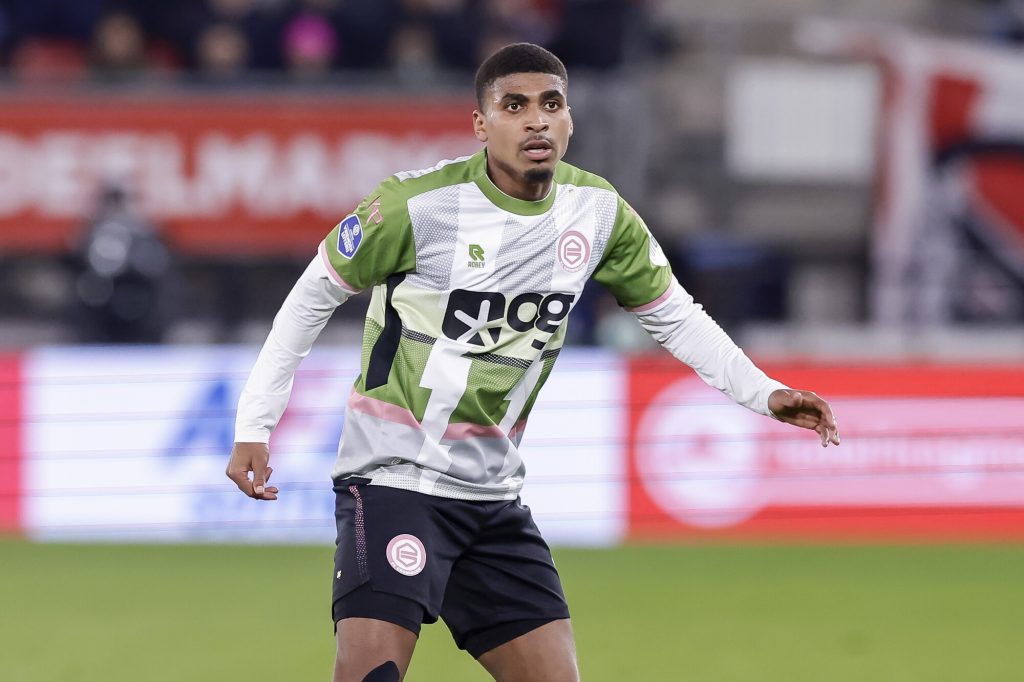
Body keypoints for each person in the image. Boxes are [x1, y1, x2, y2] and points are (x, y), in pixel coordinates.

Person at [226, 42, 840, 682]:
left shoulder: (598, 213)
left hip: (493, 498)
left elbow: (674, 315)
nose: (536, 121)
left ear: (569, 120)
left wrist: (763, 392)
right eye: (514, 106)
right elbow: (311, 298)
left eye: (551, 104)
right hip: (393, 483)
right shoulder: (418, 206)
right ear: (480, 124)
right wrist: (255, 424)